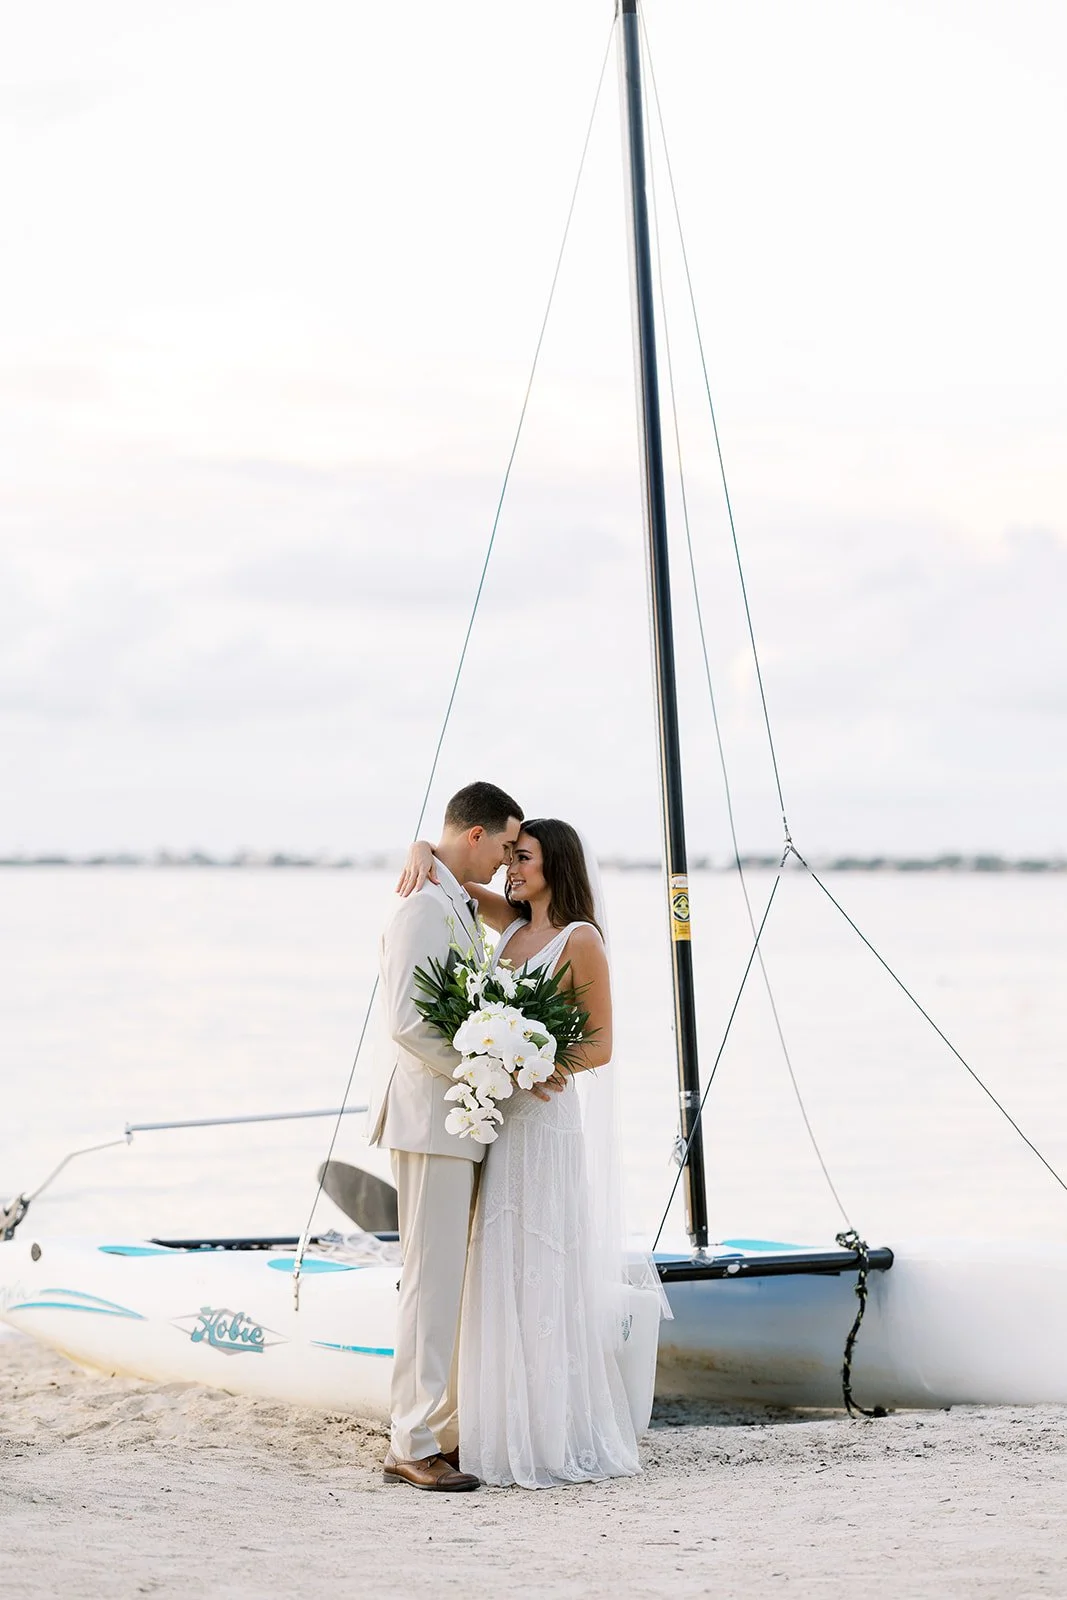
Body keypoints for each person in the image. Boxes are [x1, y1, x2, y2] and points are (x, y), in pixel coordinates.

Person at [398, 818, 660, 1488]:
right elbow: (455, 879)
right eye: (509, 856)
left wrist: (533, 1063)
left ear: (555, 866)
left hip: (542, 1120)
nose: (511, 868)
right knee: (494, 1265)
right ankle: (490, 1426)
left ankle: (544, 1430)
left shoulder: (580, 939)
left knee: (541, 1264)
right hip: (499, 1121)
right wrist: (422, 847)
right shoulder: (511, 925)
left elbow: (600, 1044)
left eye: (523, 858)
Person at [367, 779, 524, 1492]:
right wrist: (483, 1071)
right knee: (428, 1286)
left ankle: (438, 1430)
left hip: (456, 1121)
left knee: (448, 1286)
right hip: (432, 1118)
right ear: (476, 835)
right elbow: (406, 1022)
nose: (505, 861)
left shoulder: (452, 899)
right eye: (503, 845)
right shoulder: (422, 907)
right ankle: (410, 1440)